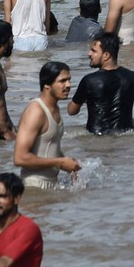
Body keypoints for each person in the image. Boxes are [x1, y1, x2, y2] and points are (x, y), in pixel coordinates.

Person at [69, 32, 134, 134]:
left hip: (97, 139)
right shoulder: (133, 77)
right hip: (125, 136)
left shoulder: (89, 81)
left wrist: (82, 99)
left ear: (106, 55)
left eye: (93, 51)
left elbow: (72, 111)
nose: (89, 54)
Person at [14, 61, 81, 189]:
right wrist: (60, 162)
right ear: (47, 86)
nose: (68, 85)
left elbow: (48, 145)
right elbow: (20, 158)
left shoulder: (55, 108)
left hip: (51, 185)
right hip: (34, 187)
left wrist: (69, 164)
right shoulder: (35, 111)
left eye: (69, 80)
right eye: (62, 81)